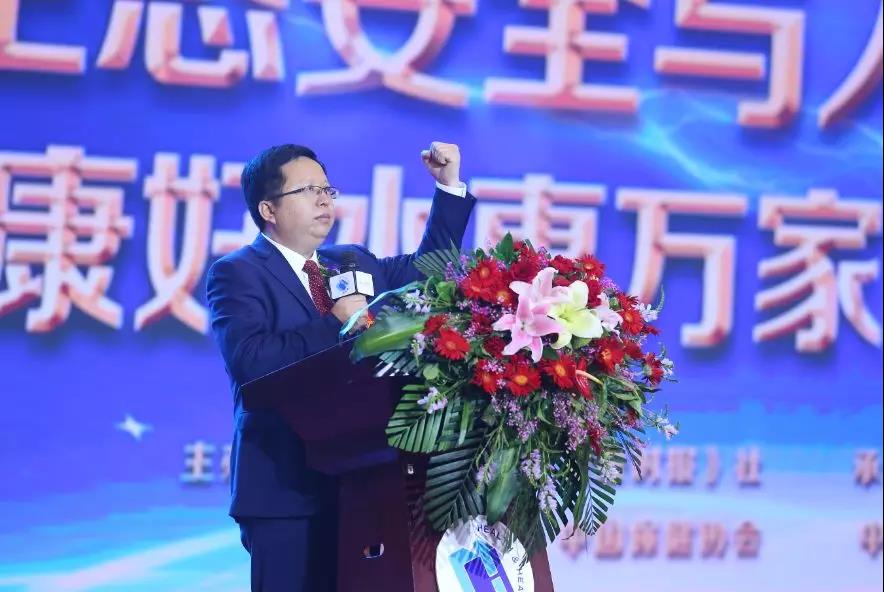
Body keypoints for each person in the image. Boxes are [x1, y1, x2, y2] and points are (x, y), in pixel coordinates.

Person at [206, 141, 476, 592]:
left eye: (327, 190)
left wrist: (448, 187)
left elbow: (429, 271)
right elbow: (251, 363)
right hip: (284, 492)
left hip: (363, 488)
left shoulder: (351, 261)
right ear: (268, 209)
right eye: (307, 191)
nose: (323, 200)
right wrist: (336, 322)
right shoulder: (238, 272)